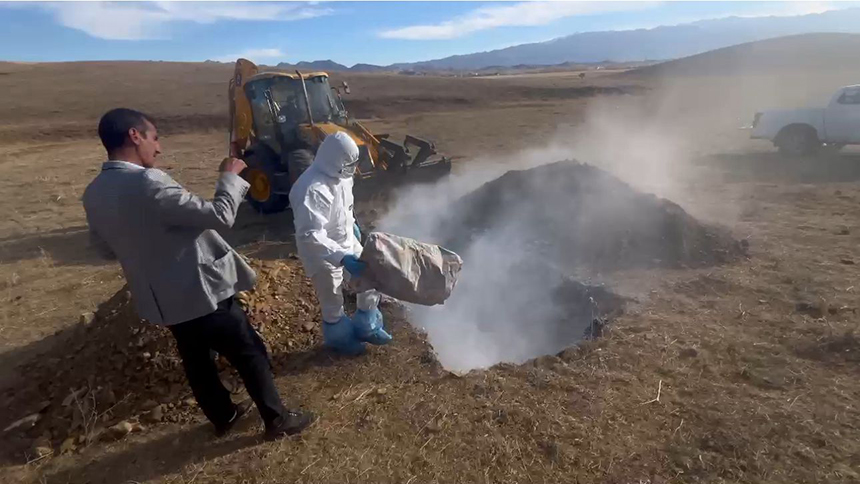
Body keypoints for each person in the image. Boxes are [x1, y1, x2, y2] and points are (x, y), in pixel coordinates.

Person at [83, 108, 313, 440]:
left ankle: (225, 415)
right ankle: (277, 421)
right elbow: (220, 216)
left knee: (196, 360)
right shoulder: (148, 181)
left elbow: (105, 249)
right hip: (201, 290)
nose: (158, 148)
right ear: (134, 136)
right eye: (154, 137)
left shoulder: (94, 193)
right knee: (249, 350)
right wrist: (231, 177)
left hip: (161, 300)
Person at [289, 132, 392, 355]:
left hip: (347, 240)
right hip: (321, 254)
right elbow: (310, 234)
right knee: (332, 298)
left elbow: (344, 205)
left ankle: (368, 325)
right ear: (334, 160)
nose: (353, 168)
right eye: (350, 164)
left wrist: (352, 224)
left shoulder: (342, 174)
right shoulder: (312, 190)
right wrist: (341, 257)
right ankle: (340, 338)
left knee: (371, 278)